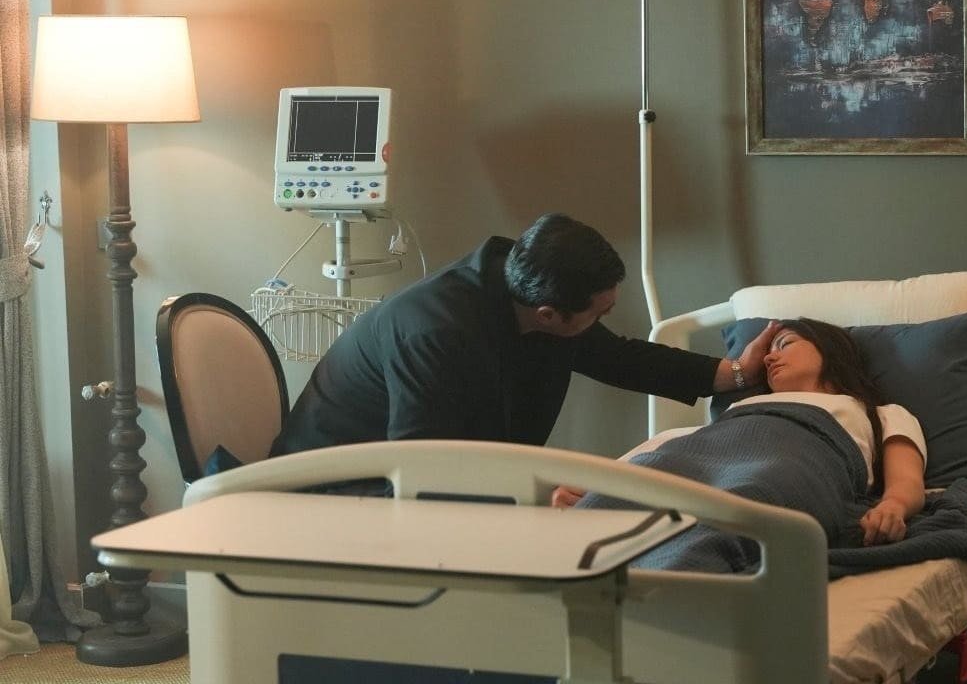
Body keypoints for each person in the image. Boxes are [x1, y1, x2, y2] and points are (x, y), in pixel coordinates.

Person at [270, 213, 779, 458]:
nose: (604, 321)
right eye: (599, 312)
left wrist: (735, 373)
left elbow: (616, 357)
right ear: (549, 315)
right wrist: (533, 495)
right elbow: (423, 466)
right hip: (333, 483)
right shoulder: (435, 335)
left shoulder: (526, 279)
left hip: (418, 472)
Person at [556, 317, 927, 548]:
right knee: (597, 517)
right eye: (769, 351)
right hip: (705, 456)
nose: (768, 357)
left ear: (831, 352)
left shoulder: (879, 415)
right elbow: (665, 456)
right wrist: (596, 489)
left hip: (791, 465)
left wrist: (892, 507)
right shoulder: (740, 410)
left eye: (785, 344)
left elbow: (907, 482)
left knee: (742, 505)